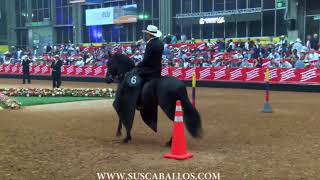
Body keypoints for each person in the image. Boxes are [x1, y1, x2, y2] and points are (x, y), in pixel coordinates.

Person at [135, 25, 164, 108]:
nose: (146, 35)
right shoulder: (160, 43)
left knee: (136, 77)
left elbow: (146, 60)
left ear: (149, 34)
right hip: (157, 70)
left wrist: (138, 64)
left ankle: (139, 101)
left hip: (149, 70)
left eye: (147, 34)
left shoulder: (150, 44)